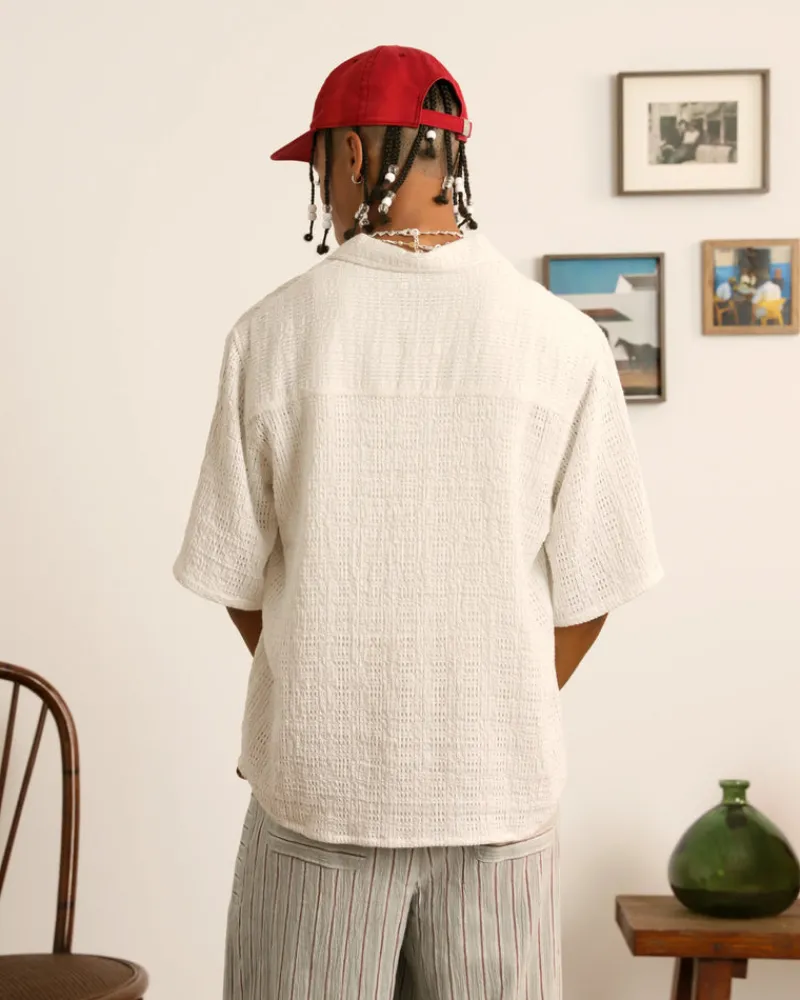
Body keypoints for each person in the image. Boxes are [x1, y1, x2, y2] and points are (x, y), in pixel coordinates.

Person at [174, 44, 662, 1000]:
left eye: (320, 162)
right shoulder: (562, 341)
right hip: (501, 799)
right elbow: (598, 581)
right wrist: (494, 697)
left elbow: (235, 572)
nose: (322, 185)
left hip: (320, 798)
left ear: (354, 154)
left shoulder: (271, 336)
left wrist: (326, 680)